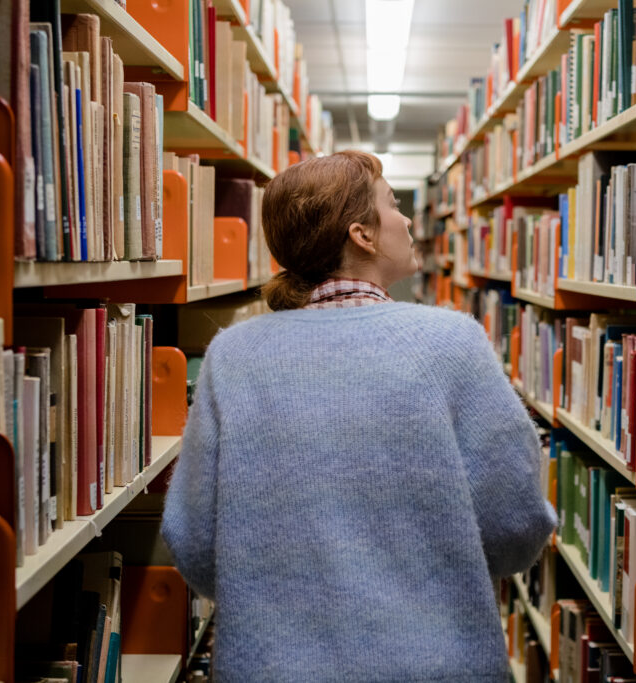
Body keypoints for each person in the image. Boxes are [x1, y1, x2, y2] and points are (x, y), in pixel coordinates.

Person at [162, 151, 555, 682]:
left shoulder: (232, 355)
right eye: (393, 205)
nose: (409, 220)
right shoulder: (450, 344)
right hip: (437, 667)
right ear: (362, 235)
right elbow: (515, 523)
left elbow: (195, 543)